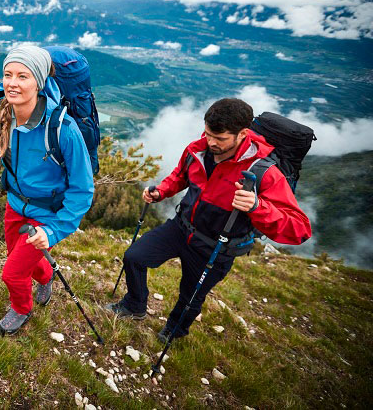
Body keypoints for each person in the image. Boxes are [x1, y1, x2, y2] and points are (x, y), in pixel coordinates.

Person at [107, 98, 311, 341]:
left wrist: (257, 206)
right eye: (208, 133)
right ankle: (134, 305)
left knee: (191, 295)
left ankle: (174, 331)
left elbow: (299, 229)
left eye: (220, 138)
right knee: (134, 257)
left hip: (216, 247)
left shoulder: (264, 172)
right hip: (181, 228)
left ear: (243, 134)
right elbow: (180, 176)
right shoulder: (198, 149)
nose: (211, 142)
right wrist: (161, 191)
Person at [0, 45, 94, 335]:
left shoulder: (63, 129)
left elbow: (83, 190)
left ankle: (21, 308)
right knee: (22, 256)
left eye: (22, 76)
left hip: (47, 215)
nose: (12, 83)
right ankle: (46, 276)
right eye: (7, 75)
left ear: (39, 82)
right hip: (15, 205)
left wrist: (53, 231)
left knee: (12, 273)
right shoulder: (3, 113)